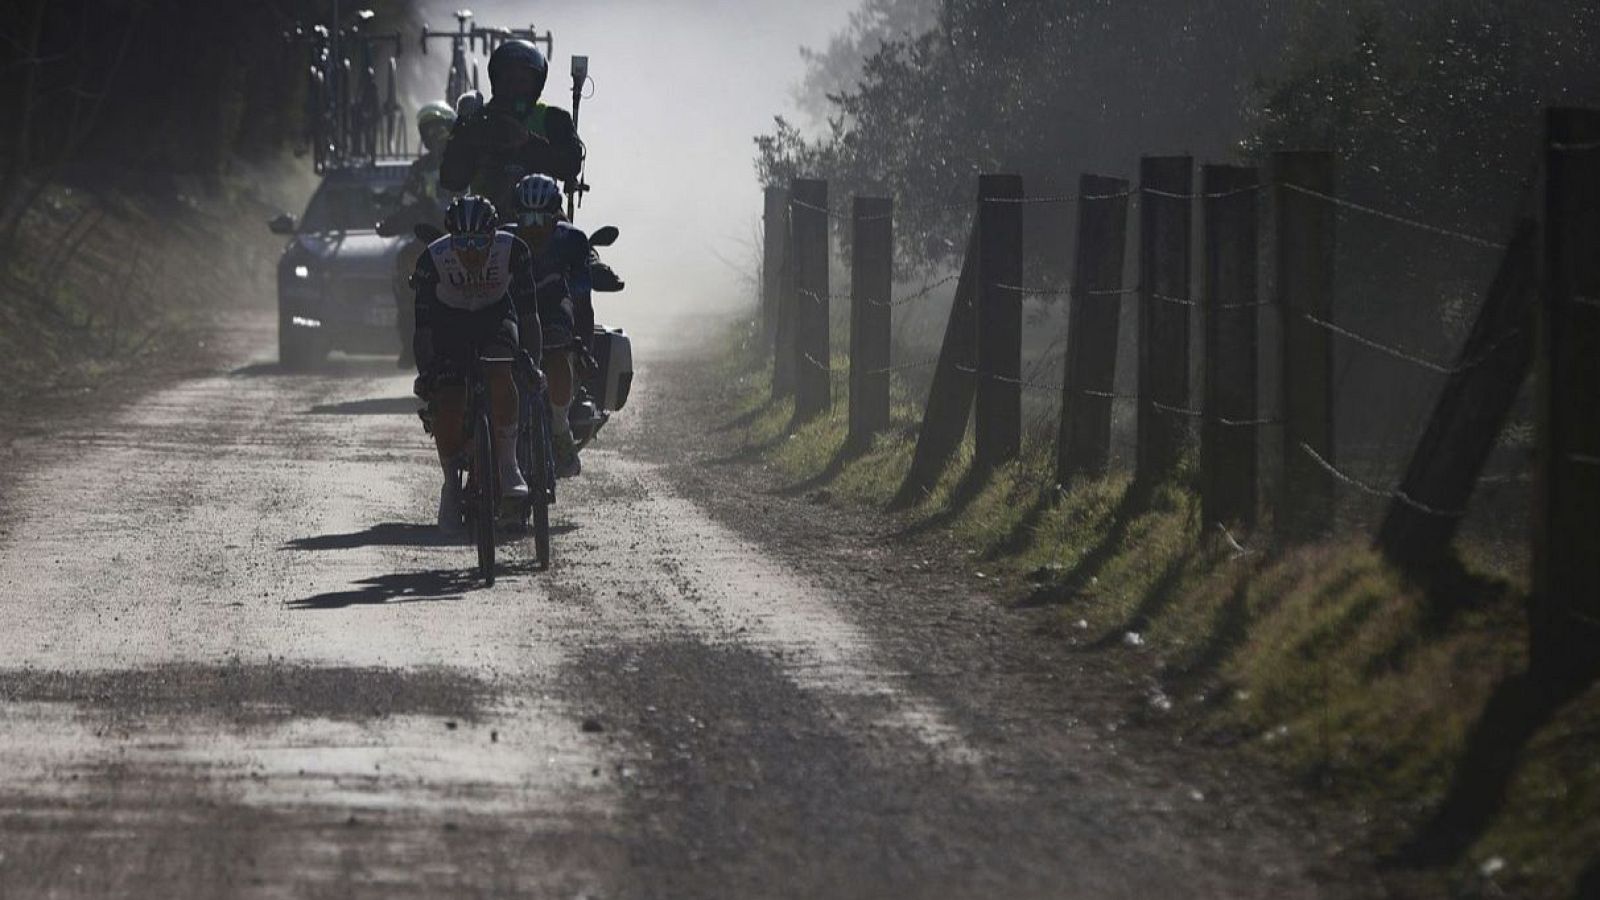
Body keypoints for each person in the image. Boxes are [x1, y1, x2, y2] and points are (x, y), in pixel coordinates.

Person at [411, 194, 541, 531]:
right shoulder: (432, 260)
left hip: (495, 317)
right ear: (450, 238)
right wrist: (427, 375)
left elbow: (529, 317)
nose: (470, 251)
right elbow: (423, 330)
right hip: (449, 322)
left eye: (479, 242)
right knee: (447, 396)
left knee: (501, 368)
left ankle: (509, 465)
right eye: (462, 242)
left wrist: (533, 362)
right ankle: (451, 483)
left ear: (493, 237)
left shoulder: (514, 251)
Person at [507, 174, 594, 477]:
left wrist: (584, 345)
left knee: (559, 351)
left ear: (555, 215)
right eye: (526, 217)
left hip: (555, 305)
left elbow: (583, 302)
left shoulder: (573, 241)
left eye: (541, 217)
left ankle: (559, 429)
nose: (533, 226)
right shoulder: (504, 240)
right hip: (517, 307)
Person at [439, 39, 584, 212]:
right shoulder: (478, 120)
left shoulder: (553, 119)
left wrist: (528, 142)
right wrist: (465, 131)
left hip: (542, 224)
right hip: (483, 227)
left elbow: (570, 166)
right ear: (496, 82)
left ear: (536, 84)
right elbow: (451, 180)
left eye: (523, 81)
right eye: (508, 80)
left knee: (571, 237)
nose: (515, 87)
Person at [378, 101, 457, 367]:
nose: (434, 136)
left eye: (439, 128)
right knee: (405, 267)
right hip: (431, 239)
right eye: (428, 130)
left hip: (470, 236)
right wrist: (392, 222)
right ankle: (411, 340)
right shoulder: (420, 169)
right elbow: (407, 203)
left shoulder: (470, 160)